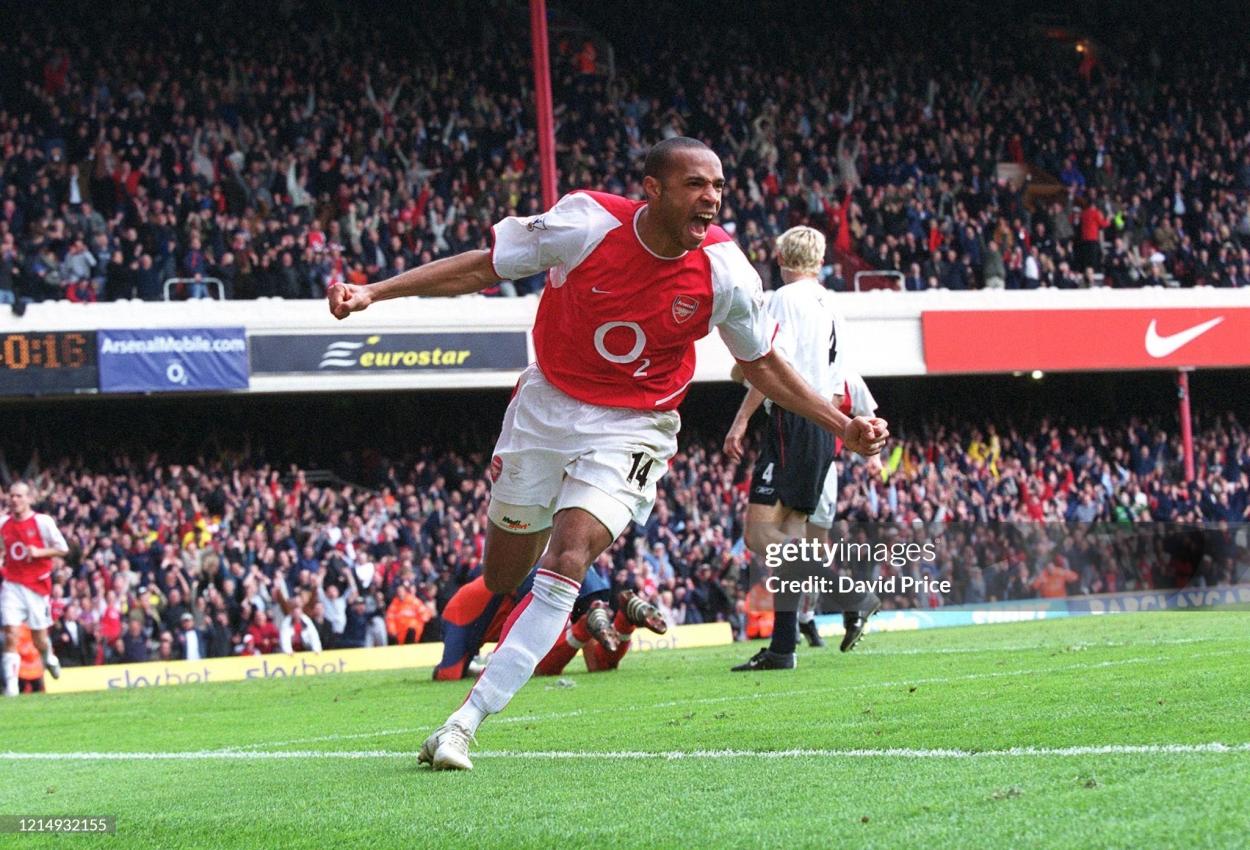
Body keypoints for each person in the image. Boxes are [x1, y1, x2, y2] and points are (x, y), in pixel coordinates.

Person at [329, 137, 887, 770]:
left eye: (719, 187)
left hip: (636, 424)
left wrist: (842, 425)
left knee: (569, 555)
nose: (711, 198)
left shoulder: (726, 272)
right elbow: (486, 265)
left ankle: (462, 724)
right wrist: (376, 291)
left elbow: (760, 361)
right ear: (652, 189)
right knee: (505, 574)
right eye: (695, 185)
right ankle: (535, 612)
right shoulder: (586, 222)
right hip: (547, 405)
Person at [722, 226, 875, 672]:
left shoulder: (783, 299)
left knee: (760, 535)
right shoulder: (831, 304)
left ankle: (853, 596)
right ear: (820, 259)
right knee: (789, 536)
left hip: (795, 418)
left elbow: (775, 365)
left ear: (780, 256)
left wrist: (741, 406)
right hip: (822, 423)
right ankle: (783, 647)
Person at [803, 371, 883, 652]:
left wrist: (875, 458)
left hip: (820, 467)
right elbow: (742, 372)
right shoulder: (793, 363)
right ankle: (803, 621)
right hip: (788, 459)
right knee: (778, 545)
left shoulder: (849, 380)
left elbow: (870, 419)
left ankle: (804, 621)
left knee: (807, 551)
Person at [1, 482, 69, 696]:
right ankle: (12, 689)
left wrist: (40, 552)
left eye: (19, 496)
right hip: (12, 584)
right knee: (10, 634)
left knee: (39, 638)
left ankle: (48, 657)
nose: (15, 500)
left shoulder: (42, 522)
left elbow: (63, 549)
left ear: (29, 498)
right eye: (12, 496)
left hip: (37, 587)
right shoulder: (3, 523)